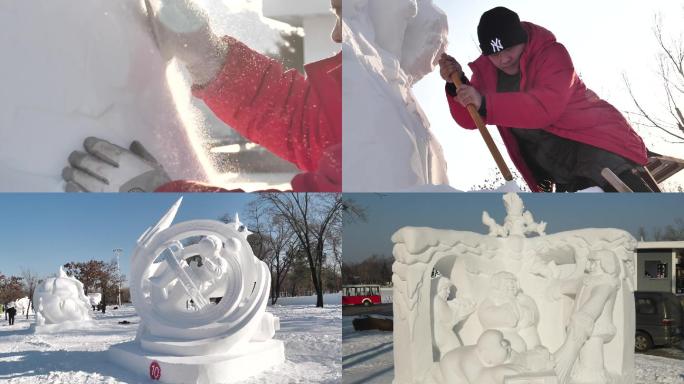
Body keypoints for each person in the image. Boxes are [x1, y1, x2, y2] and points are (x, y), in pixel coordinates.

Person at [62, 0, 342, 193]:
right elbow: (316, 128)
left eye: (346, 15)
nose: (337, 35)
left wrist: (160, 197)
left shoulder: (383, 132)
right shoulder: (377, 100)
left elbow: (295, 219)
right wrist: (211, 57)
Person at [438, 7, 650, 192]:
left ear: (521, 39)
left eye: (509, 49)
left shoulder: (551, 54)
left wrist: (485, 102)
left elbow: (544, 108)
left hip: (597, 144)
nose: (503, 59)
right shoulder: (487, 75)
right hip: (560, 170)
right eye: (495, 55)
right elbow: (471, 119)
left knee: (638, 208)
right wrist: (457, 84)